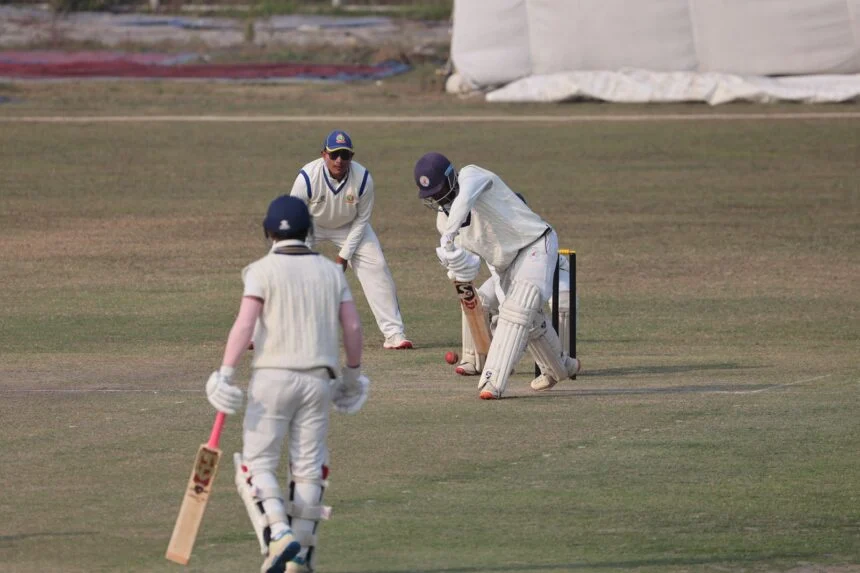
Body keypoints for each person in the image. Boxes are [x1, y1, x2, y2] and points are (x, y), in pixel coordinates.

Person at [204, 195, 371, 573]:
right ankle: (301, 557)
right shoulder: (331, 272)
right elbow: (354, 327)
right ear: (309, 232)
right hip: (318, 382)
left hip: (272, 379)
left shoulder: (261, 270)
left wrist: (226, 374)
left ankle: (278, 533)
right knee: (309, 471)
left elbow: (245, 324)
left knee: (255, 464)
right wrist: (352, 377)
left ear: (268, 233)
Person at [413, 152, 580, 399]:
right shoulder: (443, 221)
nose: (438, 197)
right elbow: (470, 264)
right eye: (432, 195)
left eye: (439, 190)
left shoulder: (473, 175)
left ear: (452, 177)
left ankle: (492, 382)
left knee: (518, 309)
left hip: (534, 243)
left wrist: (447, 238)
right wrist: (453, 263)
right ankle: (561, 366)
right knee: (525, 317)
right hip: (504, 265)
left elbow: (464, 200)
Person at [288, 130, 413, 350]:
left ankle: (394, 334)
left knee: (378, 266)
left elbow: (362, 220)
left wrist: (343, 256)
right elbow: (292, 215)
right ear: (324, 154)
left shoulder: (363, 179)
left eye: (344, 155)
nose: (339, 160)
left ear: (351, 157)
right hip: (309, 225)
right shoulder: (307, 177)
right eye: (334, 154)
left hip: (350, 225)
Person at [455, 193, 576, 376]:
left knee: (562, 303)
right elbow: (499, 283)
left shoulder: (528, 232)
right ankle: (475, 359)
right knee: (478, 299)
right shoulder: (494, 235)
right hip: (512, 278)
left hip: (552, 272)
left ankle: (562, 360)